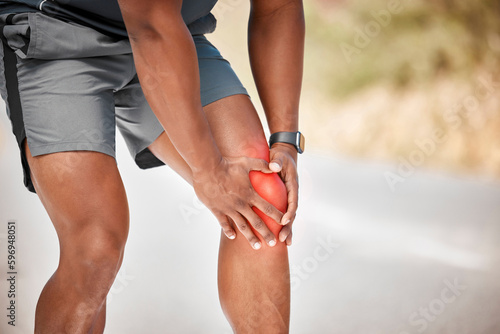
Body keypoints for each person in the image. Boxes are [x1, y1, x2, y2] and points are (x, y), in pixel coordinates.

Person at [0, 0, 304, 332]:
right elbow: (150, 27)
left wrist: (285, 140)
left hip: (175, 32)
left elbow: (278, 7)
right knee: (95, 246)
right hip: (56, 30)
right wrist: (209, 170)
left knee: (262, 189)